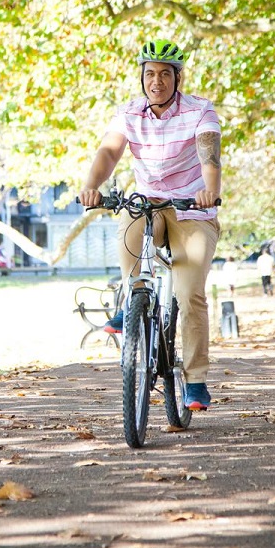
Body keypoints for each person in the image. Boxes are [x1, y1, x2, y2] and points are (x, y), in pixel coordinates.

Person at [79, 38, 222, 411]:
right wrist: (91, 186)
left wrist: (210, 191)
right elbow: (109, 151)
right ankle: (134, 299)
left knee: (190, 295)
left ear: (178, 78)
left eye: (164, 74)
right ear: (142, 78)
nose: (156, 81)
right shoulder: (129, 113)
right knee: (130, 228)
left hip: (192, 209)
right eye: (150, 74)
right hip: (149, 203)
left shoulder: (200, 110)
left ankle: (195, 381)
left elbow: (209, 155)